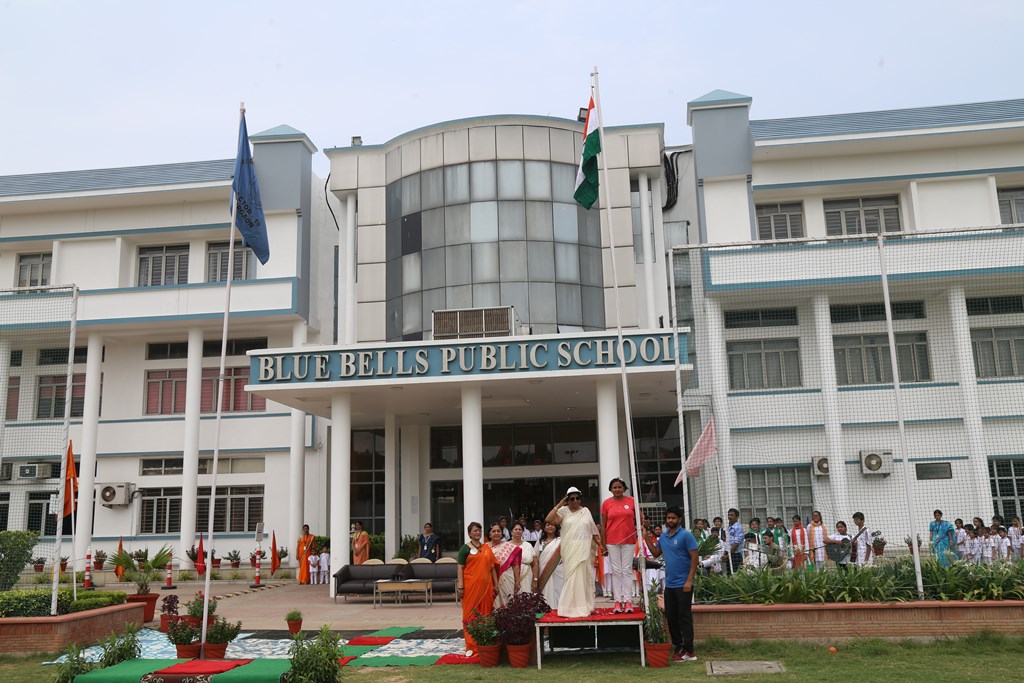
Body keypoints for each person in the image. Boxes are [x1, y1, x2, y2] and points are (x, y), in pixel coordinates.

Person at [643, 506, 699, 663]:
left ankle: (689, 650)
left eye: (673, 518)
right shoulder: (664, 537)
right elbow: (655, 553)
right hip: (670, 584)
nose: (670, 520)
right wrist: (647, 537)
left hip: (684, 584)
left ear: (679, 519)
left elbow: (695, 558)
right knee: (671, 616)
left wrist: (689, 580)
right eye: (668, 518)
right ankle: (679, 646)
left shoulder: (686, 536)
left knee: (684, 617)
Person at [546, 486, 603, 617]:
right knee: (571, 578)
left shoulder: (586, 511)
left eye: (578, 498)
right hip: (570, 551)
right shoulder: (563, 511)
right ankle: (567, 608)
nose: (575, 501)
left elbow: (593, 530)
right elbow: (549, 520)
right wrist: (561, 503)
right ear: (568, 500)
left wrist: (601, 545)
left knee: (583, 578)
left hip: (584, 551)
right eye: (572, 499)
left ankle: (584, 607)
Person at [457, 522, 499, 655]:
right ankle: (471, 646)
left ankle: (485, 643)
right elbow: (460, 568)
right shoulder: (465, 549)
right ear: (469, 533)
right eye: (474, 531)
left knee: (486, 614)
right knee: (470, 615)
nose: (477, 533)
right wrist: (460, 586)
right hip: (470, 588)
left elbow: (492, 567)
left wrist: (496, 584)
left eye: (479, 530)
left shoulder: (486, 548)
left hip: (487, 587)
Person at [600, 477, 638, 613]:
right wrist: (603, 544)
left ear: (624, 488)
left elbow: (640, 519)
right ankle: (617, 602)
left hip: (629, 541)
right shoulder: (606, 503)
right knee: (616, 571)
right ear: (610, 489)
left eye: (619, 487)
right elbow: (603, 525)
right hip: (612, 542)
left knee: (627, 570)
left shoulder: (632, 501)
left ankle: (628, 601)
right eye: (614, 487)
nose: (617, 489)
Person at [488, 523, 521, 606]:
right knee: (492, 603)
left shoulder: (509, 547)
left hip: (507, 577)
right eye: (494, 531)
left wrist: (517, 581)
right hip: (490, 579)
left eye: (498, 531)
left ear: (502, 533)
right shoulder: (484, 548)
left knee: (508, 602)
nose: (496, 533)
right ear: (490, 534)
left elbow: (515, 565)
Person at [536, 520, 564, 607]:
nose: (550, 527)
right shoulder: (540, 542)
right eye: (548, 525)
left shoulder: (560, 541)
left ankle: (559, 610)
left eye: (552, 525)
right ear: (544, 528)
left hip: (558, 571)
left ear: (556, 528)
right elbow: (535, 558)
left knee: (559, 591)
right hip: (543, 571)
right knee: (545, 592)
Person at [509, 522, 538, 595]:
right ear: (511, 532)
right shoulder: (507, 546)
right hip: (511, 576)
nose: (518, 531)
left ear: (522, 532)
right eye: (515, 529)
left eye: (520, 529)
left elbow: (535, 564)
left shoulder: (528, 545)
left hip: (527, 576)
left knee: (526, 598)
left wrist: (535, 579)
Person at [726, 509, 744, 574]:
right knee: (729, 574)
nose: (729, 517)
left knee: (736, 574)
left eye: (731, 515)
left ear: (737, 517)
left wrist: (728, 555)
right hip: (729, 554)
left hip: (735, 555)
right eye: (728, 515)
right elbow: (728, 542)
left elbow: (736, 544)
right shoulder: (729, 527)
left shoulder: (738, 528)